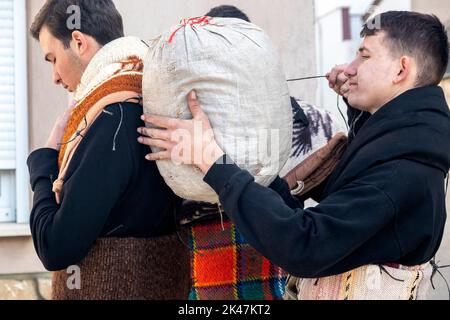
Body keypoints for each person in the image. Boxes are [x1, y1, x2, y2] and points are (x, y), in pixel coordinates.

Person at [138, 11, 450, 299]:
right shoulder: (399, 141)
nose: (349, 68)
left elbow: (305, 243)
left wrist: (212, 160)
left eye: (364, 55)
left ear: (401, 69)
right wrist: (359, 103)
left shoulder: (403, 170)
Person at [27, 0, 189, 300]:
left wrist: (44, 161)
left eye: (52, 59)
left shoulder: (112, 119)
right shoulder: (151, 101)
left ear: (78, 41)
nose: (54, 76)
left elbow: (55, 247)